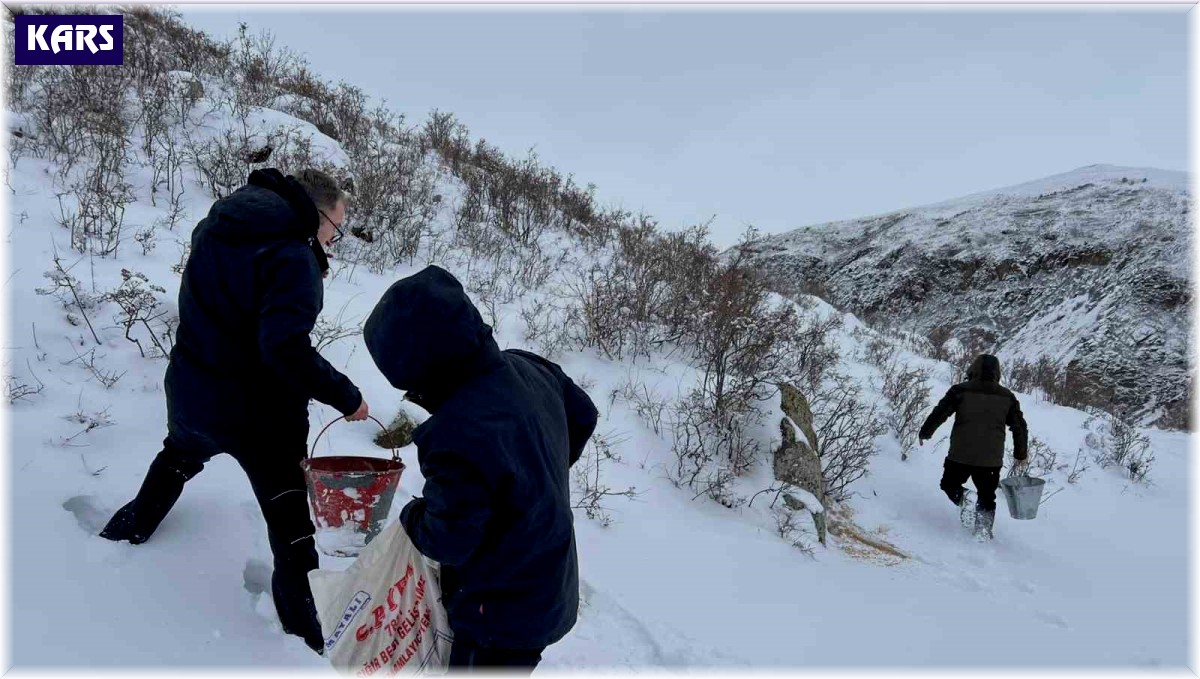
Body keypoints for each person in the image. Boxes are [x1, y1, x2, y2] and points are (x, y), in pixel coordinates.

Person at [99, 168, 369, 653]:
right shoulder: (291, 254)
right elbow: (284, 349)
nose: (334, 237)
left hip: (192, 388)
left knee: (179, 455)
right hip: (258, 414)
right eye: (337, 226)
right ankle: (308, 638)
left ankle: (123, 533)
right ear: (319, 211)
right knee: (290, 520)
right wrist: (347, 396)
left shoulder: (217, 224)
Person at [363, 265, 597, 672]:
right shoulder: (528, 367)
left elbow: (448, 539)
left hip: (499, 613)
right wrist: (537, 477)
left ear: (422, 371)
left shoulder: (455, 433)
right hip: (550, 582)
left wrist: (412, 514)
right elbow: (582, 415)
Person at [918, 353, 1029, 540]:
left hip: (960, 454)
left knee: (949, 484)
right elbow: (1020, 426)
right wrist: (1020, 454)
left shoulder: (960, 390)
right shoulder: (1007, 397)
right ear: (997, 372)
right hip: (990, 460)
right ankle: (983, 533)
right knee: (987, 496)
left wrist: (925, 432)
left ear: (974, 369)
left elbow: (940, 413)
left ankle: (965, 498)